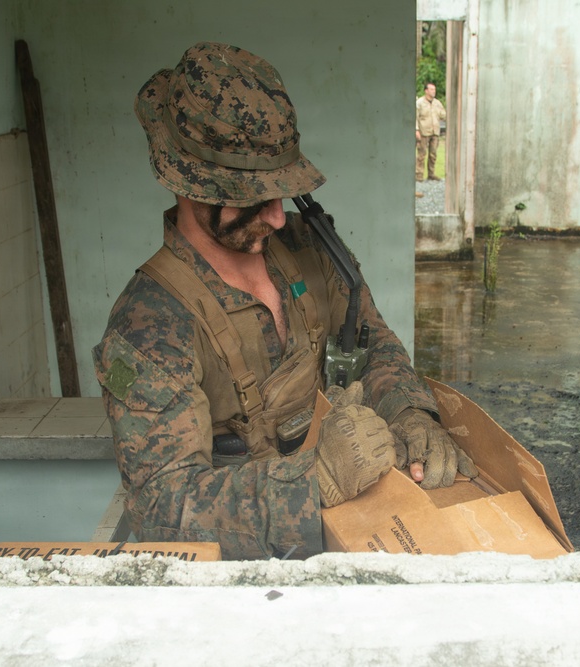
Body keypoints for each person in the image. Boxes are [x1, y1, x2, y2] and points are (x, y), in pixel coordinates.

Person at [93, 42, 476, 560]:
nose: (277, 218)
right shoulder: (148, 327)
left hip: (361, 533)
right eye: (255, 196)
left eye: (281, 193)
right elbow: (162, 508)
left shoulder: (310, 249)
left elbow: (372, 341)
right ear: (190, 186)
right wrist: (312, 483)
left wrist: (408, 411)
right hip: (243, 580)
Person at [415, 82, 446, 181]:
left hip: (435, 132)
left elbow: (443, 115)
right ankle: (418, 175)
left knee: (433, 154)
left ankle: (431, 174)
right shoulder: (419, 103)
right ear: (426, 91)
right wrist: (416, 130)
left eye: (434, 89)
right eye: (432, 89)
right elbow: (415, 117)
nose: (434, 91)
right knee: (421, 155)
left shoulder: (437, 103)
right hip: (423, 132)